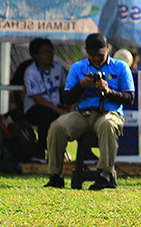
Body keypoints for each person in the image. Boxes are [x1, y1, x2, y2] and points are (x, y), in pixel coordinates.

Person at [44, 33, 135, 191]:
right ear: (86, 51)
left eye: (100, 55)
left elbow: (130, 98)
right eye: (92, 55)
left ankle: (104, 175)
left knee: (107, 125)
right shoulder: (78, 67)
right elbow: (67, 99)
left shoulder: (120, 67)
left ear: (107, 48)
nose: (97, 59)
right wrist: (81, 85)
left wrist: (108, 91)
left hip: (109, 113)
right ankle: (55, 175)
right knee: (57, 127)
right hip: (83, 114)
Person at [23, 38, 68, 160]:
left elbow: (64, 88)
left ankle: (78, 153)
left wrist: (66, 105)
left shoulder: (58, 67)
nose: (50, 55)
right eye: (45, 52)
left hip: (56, 106)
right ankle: (40, 152)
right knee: (46, 114)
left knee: (75, 116)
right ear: (36, 56)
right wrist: (58, 110)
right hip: (34, 108)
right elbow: (36, 97)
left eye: (51, 51)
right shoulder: (31, 72)